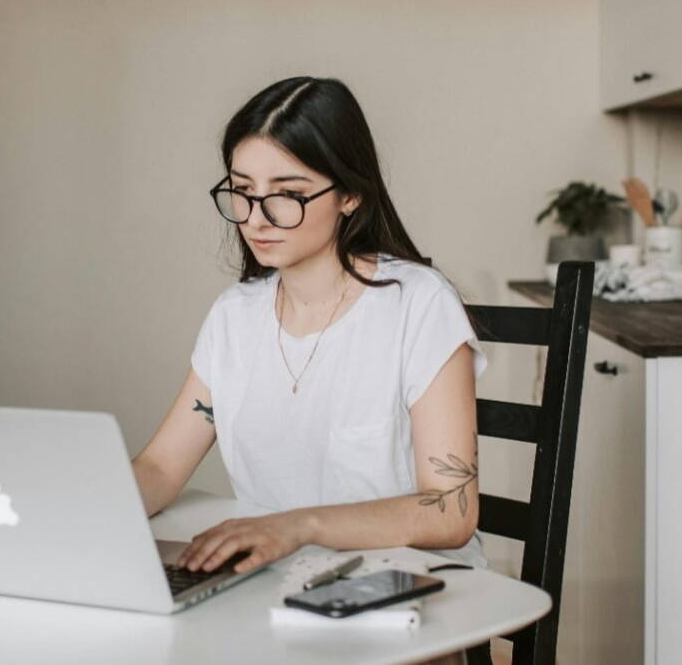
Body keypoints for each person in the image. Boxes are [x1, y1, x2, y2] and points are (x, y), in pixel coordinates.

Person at [132, 76, 489, 577]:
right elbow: (161, 469)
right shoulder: (233, 317)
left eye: (287, 193)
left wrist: (297, 526)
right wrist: (79, 512)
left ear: (350, 195)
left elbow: (453, 510)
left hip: (407, 583)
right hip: (275, 581)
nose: (256, 219)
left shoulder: (420, 305)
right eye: (241, 191)